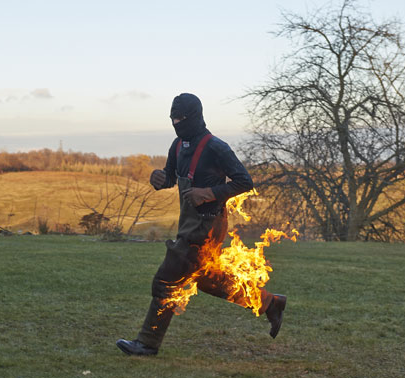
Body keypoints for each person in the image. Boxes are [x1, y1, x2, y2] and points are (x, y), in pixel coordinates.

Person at [116, 93, 287, 356]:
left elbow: (244, 182)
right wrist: (160, 179)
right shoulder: (177, 145)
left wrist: (208, 193)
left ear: (195, 116)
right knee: (208, 279)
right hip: (189, 224)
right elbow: (172, 178)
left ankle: (147, 343)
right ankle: (270, 303)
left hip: (208, 227)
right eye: (173, 118)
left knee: (166, 281)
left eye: (181, 118)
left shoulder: (216, 147)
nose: (176, 122)